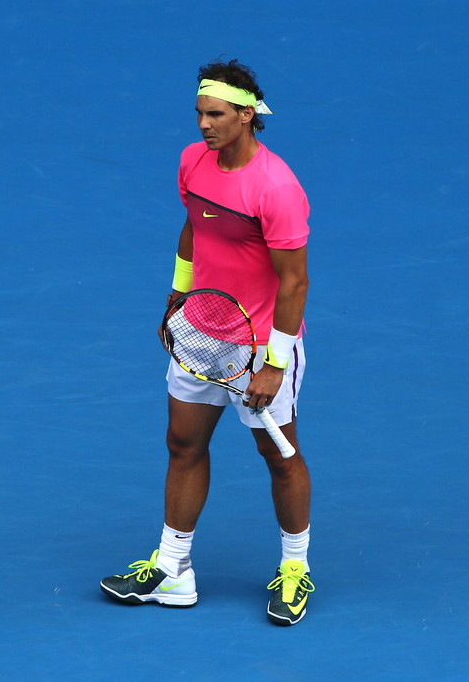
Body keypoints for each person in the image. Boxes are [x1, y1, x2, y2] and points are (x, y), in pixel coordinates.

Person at [100, 59, 314, 626]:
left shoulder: (276, 187)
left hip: (260, 345)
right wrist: (177, 295)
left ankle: (295, 569)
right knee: (183, 445)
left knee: (279, 456)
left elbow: (295, 282)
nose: (204, 125)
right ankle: (173, 569)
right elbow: (194, 228)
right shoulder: (192, 163)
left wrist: (274, 362)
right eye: (199, 113)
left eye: (216, 114)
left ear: (247, 115)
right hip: (202, 328)